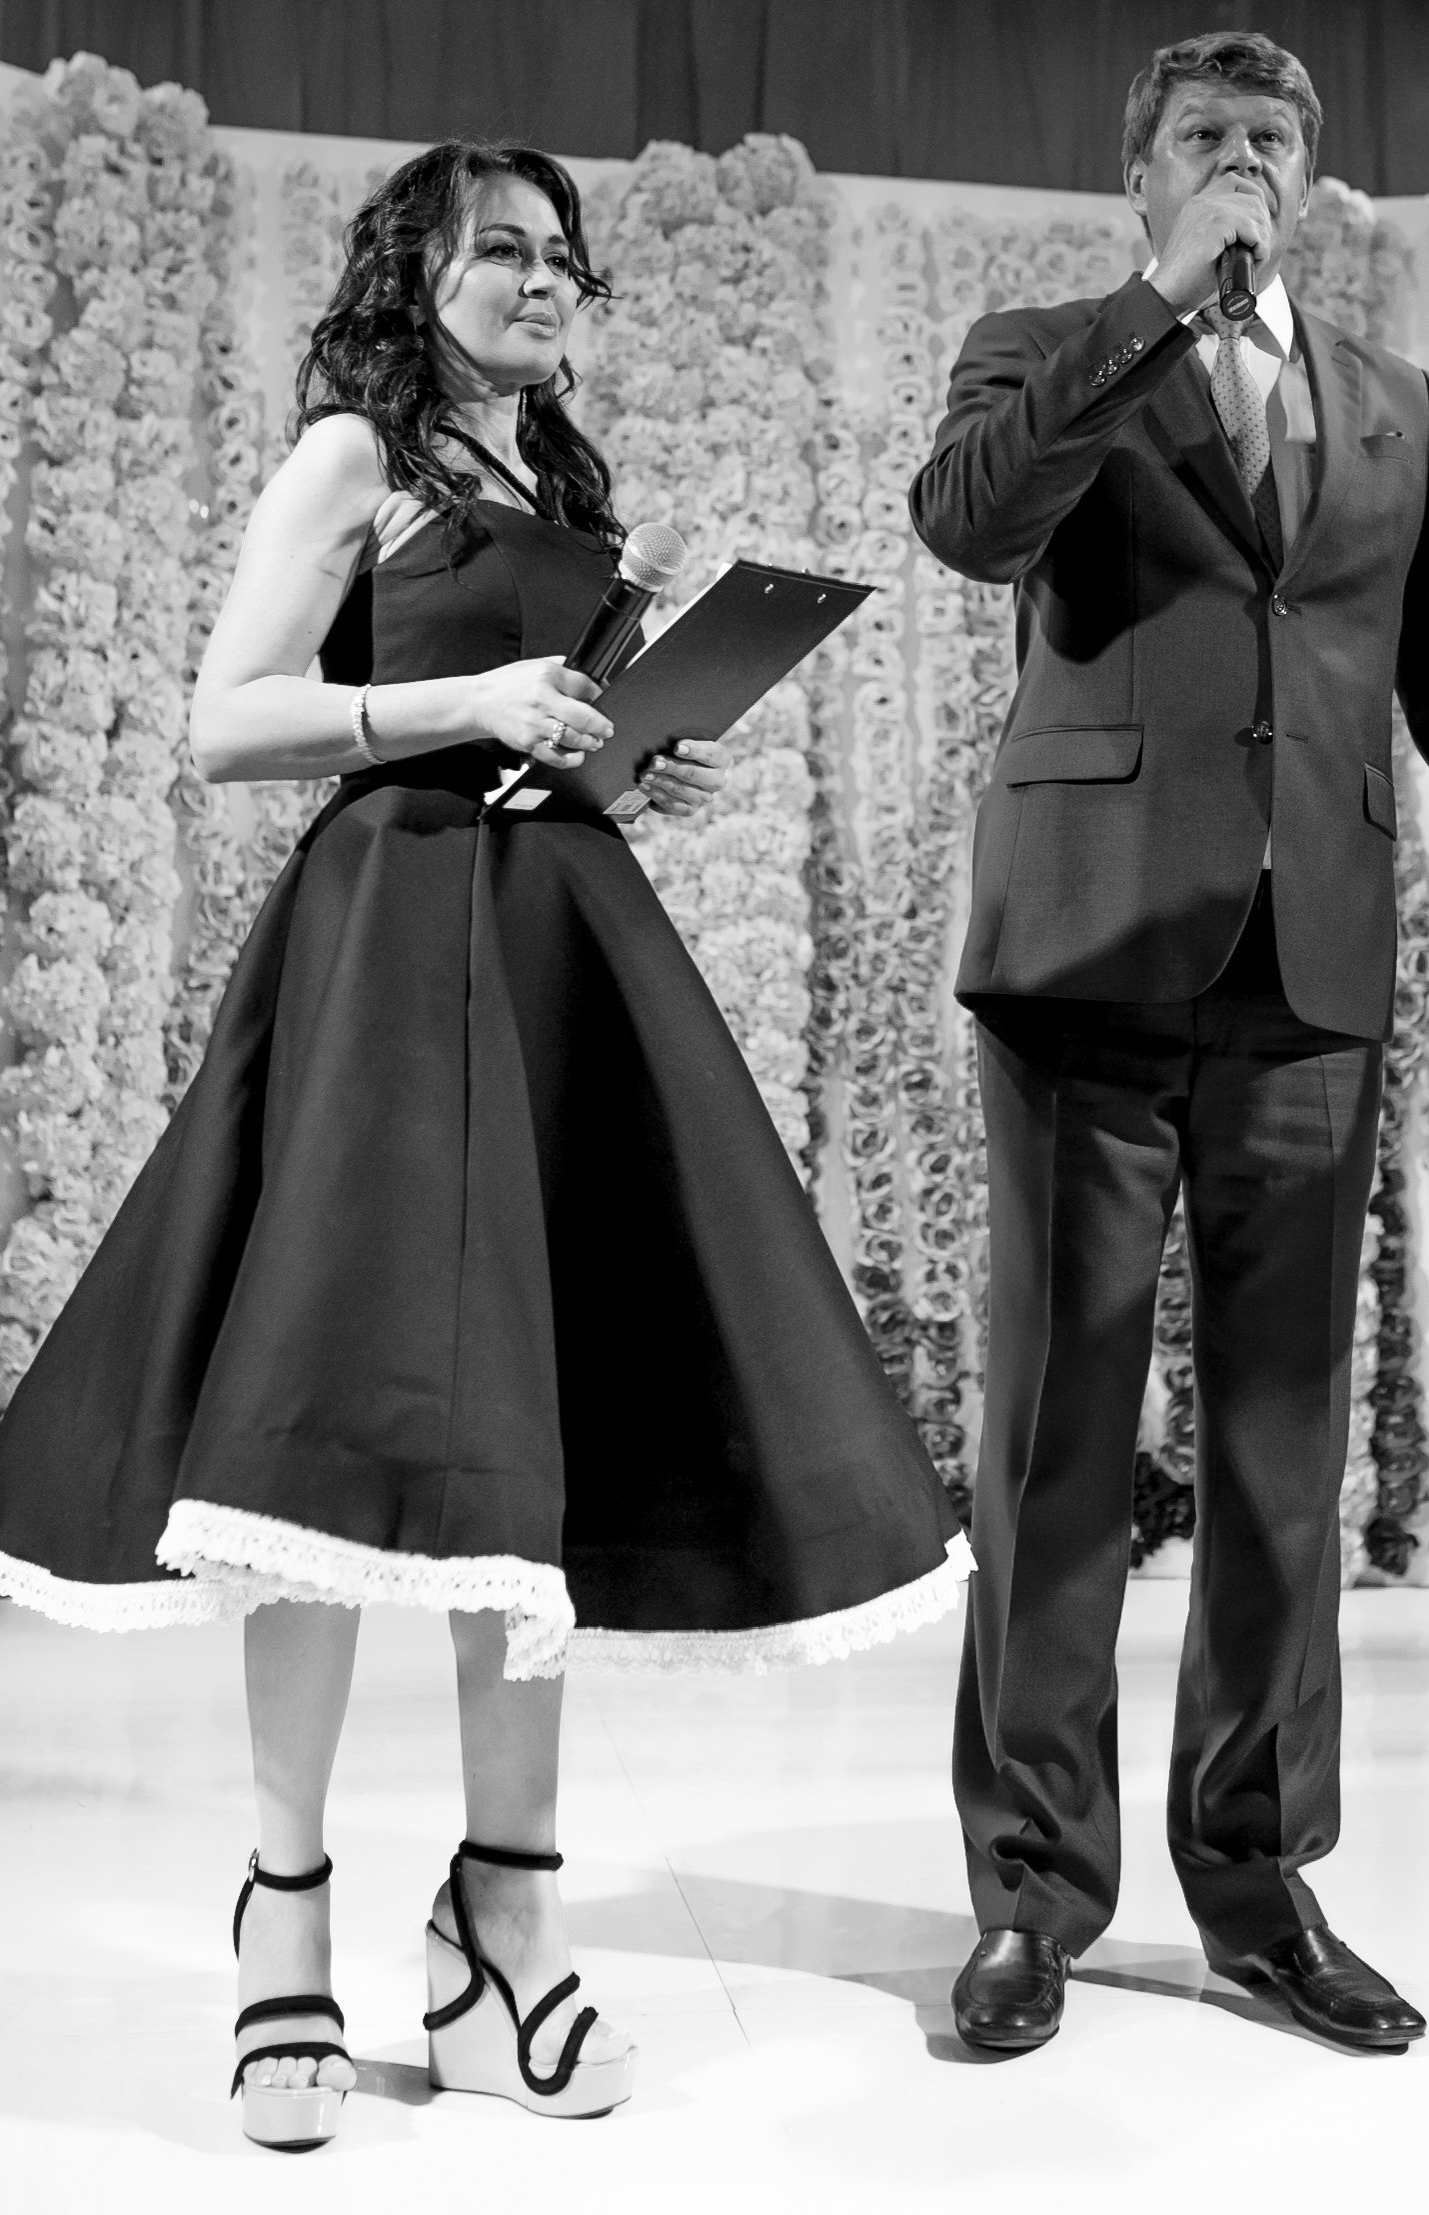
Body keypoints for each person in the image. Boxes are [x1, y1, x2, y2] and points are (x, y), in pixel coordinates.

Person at [0, 140, 968, 2148]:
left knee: (529, 1428)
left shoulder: (568, 497)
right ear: (413, 277)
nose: (543, 280)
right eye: (502, 250)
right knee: (322, 1422)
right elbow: (229, 718)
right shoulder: (355, 459)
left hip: (552, 956)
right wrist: (463, 703)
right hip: (385, 955)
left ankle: (503, 1911)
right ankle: (284, 1909)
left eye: (560, 258)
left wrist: (633, 756)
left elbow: (546, 732)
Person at [911, 31, 1429, 2057]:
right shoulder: (1043, 346)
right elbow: (971, 521)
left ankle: (1255, 1883)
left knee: (1281, 1452)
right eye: (1203, 137)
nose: (1242, 162)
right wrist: (1155, 312)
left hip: (1308, 977)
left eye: (1270, 138)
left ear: (1310, 178)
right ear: (1139, 176)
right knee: (1058, 1445)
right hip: (1085, 962)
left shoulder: (1391, 402)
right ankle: (1032, 1897)